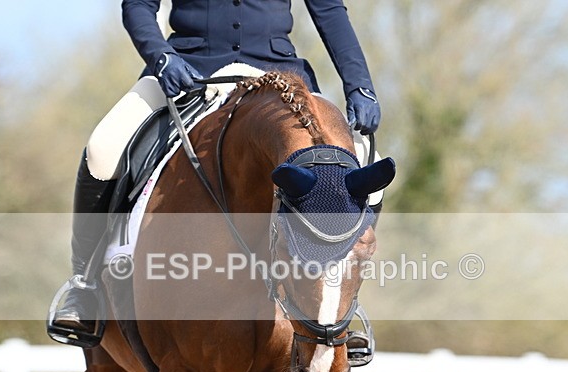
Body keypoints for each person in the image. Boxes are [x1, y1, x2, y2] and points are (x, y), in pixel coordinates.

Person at [49, 0, 383, 351]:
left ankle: (344, 305)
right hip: (187, 72)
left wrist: (359, 85)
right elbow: (138, 5)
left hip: (279, 80)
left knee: (361, 161)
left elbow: (329, 10)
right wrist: (161, 56)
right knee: (103, 148)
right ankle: (84, 286)